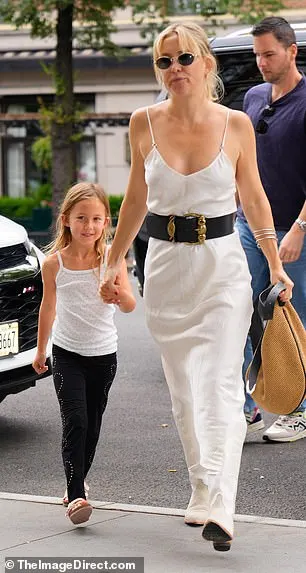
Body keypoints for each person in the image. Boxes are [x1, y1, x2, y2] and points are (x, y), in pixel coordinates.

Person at [100, 22, 293, 551]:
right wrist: (114, 262)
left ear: (206, 63)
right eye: (164, 62)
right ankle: (202, 489)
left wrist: (274, 264)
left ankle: (224, 506)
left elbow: (254, 198)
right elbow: (136, 201)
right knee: (185, 391)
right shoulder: (142, 123)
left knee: (223, 387)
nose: (175, 69)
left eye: (184, 58)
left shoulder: (235, 125)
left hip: (222, 269)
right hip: (164, 268)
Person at [32, 182, 136, 525]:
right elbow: (48, 308)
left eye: (96, 219)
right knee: (75, 420)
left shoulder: (112, 259)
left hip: (104, 356)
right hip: (67, 354)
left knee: (92, 425)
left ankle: (76, 481)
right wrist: (40, 351)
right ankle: (76, 494)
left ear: (106, 222)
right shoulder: (53, 264)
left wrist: (117, 292)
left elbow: (131, 305)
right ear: (66, 220)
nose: (88, 226)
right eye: (81, 218)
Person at [236, 17, 306, 442]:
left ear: (292, 50)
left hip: (295, 229)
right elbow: (244, 161)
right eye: (257, 54)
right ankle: (245, 407)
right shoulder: (254, 96)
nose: (261, 62)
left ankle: (299, 408)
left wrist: (299, 228)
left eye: (269, 54)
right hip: (250, 226)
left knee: (291, 320)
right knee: (242, 313)